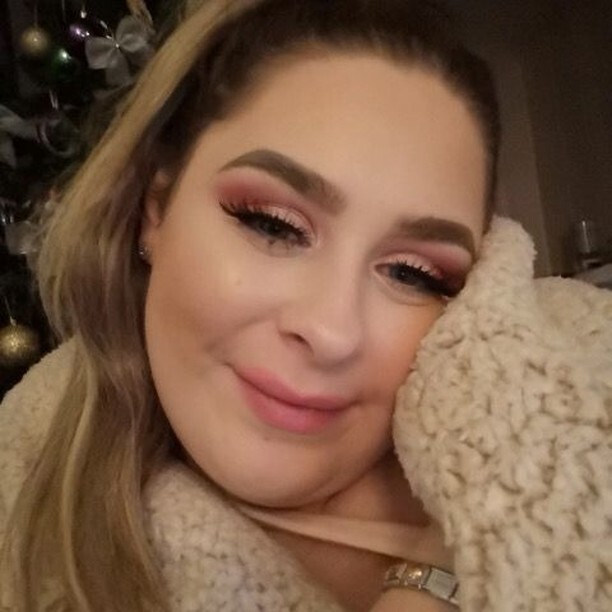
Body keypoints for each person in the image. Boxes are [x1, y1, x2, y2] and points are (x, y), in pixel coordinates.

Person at [1, 0, 611, 610]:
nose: (332, 330)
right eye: (273, 225)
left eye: (413, 273)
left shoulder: (584, 418)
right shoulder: (21, 488)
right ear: (154, 212)